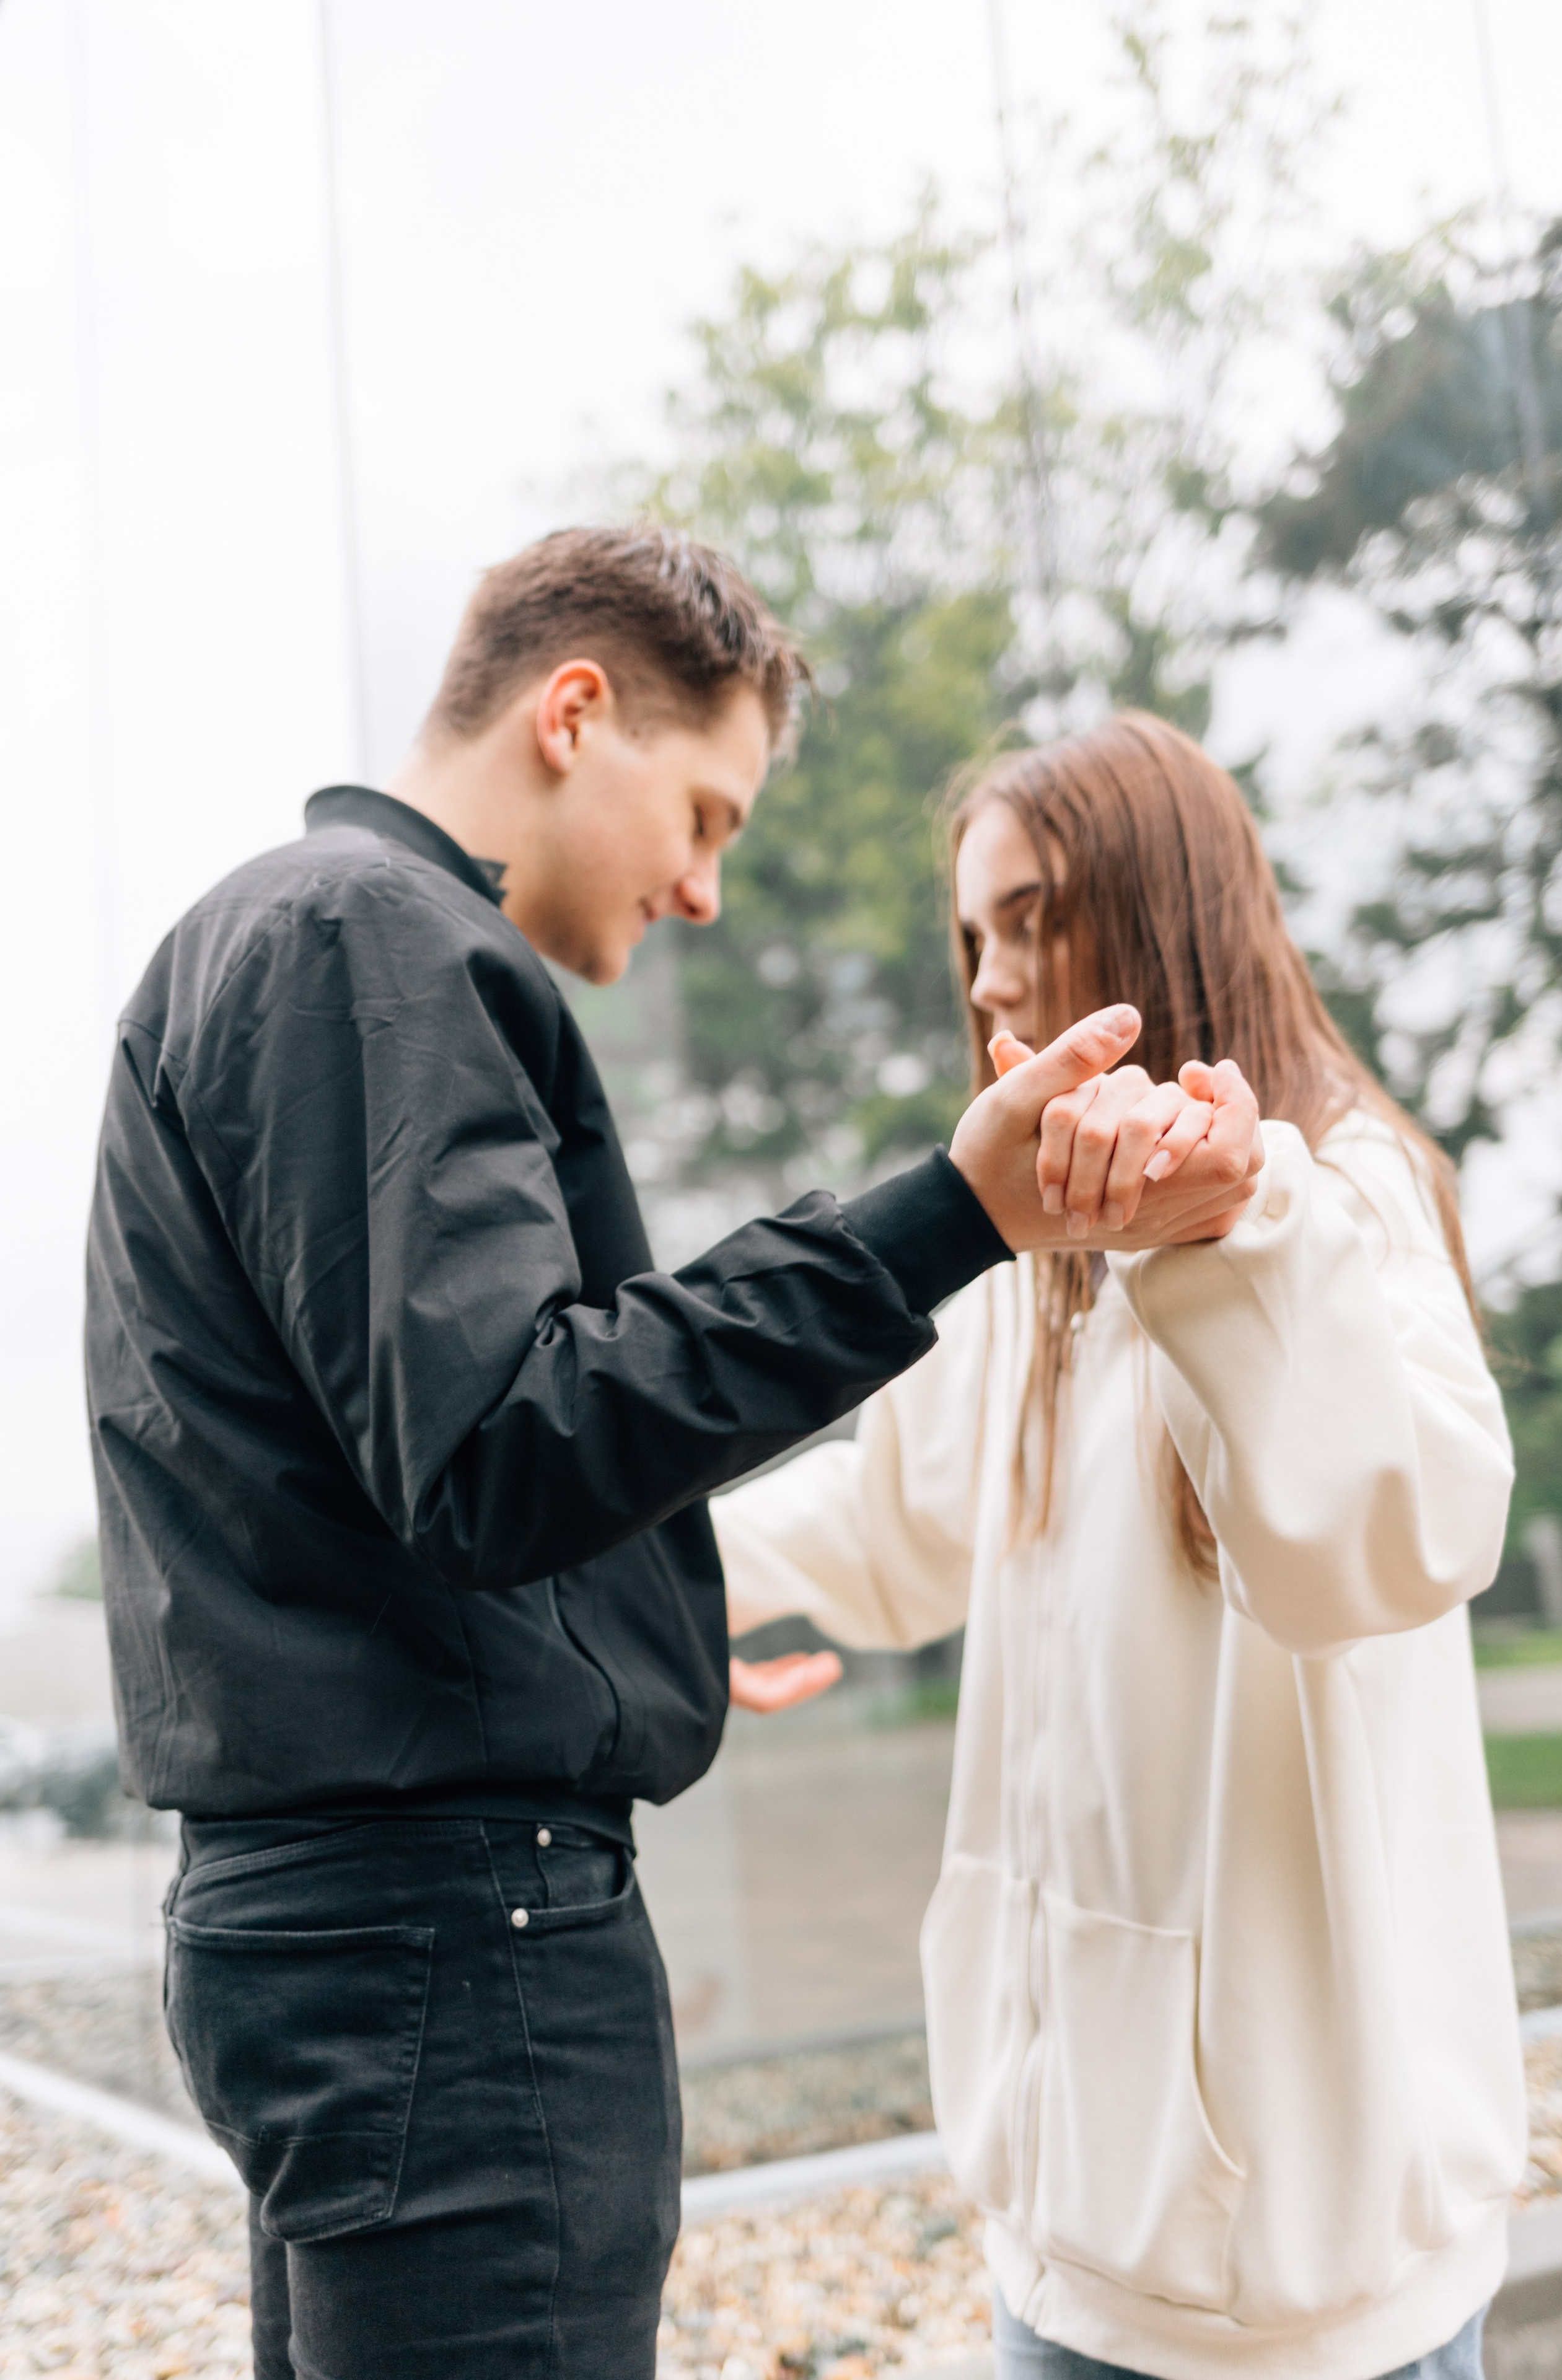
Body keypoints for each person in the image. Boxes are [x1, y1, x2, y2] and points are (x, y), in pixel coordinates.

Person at [84, 534, 1261, 2380]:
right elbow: (499, 1441)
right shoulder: (370, 937)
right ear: (576, 714)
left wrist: (629, 1638)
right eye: (705, 812)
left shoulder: (277, 948)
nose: (704, 891)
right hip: (452, 1952)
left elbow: (373, 1486)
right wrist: (952, 1212)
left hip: (358, 1935)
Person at [713, 713, 1524, 2380]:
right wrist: (644, 1580)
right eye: (974, 935)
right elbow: (904, 1518)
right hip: (1071, 2230)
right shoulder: (1040, 1257)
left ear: (1164, 914)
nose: (995, 982)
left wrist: (1236, 1235)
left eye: (1032, 916)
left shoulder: (1341, 1191)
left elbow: (1398, 1532)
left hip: (1308, 2302)